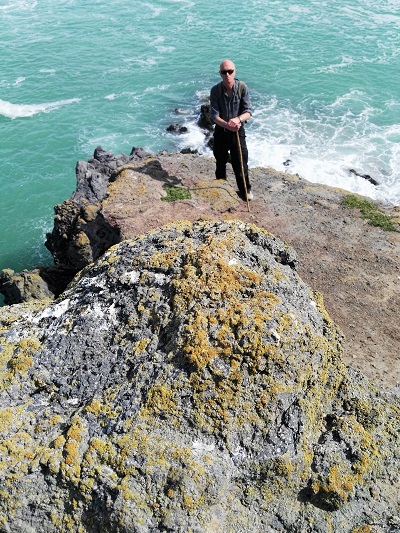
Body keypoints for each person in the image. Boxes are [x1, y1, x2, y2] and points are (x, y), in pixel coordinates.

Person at [210, 59, 253, 201]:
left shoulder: (242, 88)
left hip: (237, 132)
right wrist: (226, 124)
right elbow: (214, 116)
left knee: (240, 163)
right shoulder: (215, 90)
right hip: (221, 132)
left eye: (230, 71)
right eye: (224, 72)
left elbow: (248, 112)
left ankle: (245, 191)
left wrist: (238, 119)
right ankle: (220, 191)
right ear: (220, 74)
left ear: (234, 72)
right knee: (220, 162)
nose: (227, 75)